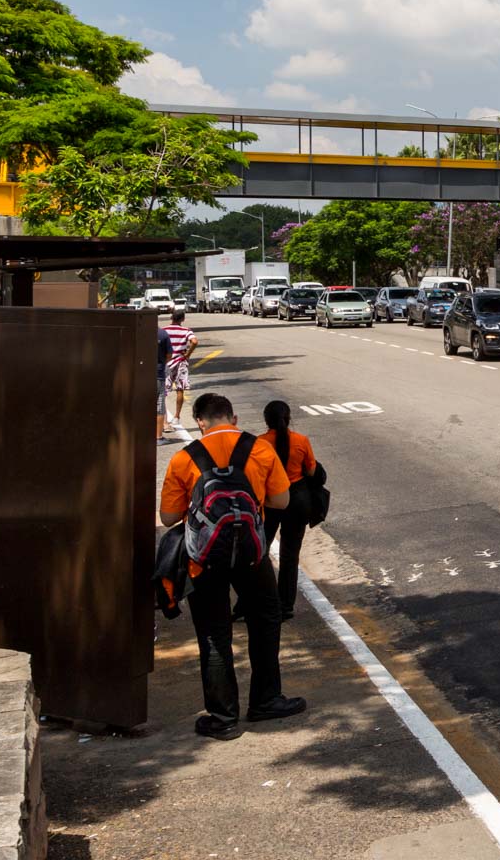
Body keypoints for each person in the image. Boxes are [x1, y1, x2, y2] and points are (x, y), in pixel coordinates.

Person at [158, 393, 305, 739]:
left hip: (203, 559)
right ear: (234, 418)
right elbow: (281, 500)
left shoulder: (184, 458)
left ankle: (223, 718)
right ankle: (266, 699)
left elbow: (167, 519)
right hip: (251, 553)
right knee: (266, 618)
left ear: (200, 422)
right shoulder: (260, 449)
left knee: (213, 632)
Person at [260, 400, 318, 619]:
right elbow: (312, 472)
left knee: (260, 551)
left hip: (271, 500)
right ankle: (286, 605)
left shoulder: (260, 443)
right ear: (288, 418)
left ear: (267, 421)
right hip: (297, 500)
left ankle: (260, 597)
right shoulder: (300, 441)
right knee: (290, 555)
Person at [162, 310, 198, 435]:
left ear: (171, 318)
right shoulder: (186, 330)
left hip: (167, 363)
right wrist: (188, 354)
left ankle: (165, 421)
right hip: (181, 362)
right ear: (182, 319)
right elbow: (194, 341)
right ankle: (176, 417)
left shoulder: (164, 330)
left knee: (163, 392)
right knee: (180, 389)